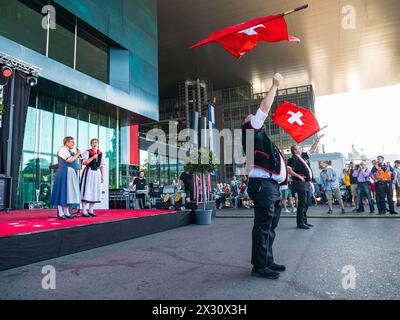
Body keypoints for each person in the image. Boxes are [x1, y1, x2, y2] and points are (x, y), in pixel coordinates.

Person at [242, 73, 287, 280]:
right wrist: (275, 85)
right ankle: (260, 266)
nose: (253, 115)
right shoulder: (251, 129)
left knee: (270, 225)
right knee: (263, 225)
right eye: (250, 116)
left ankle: (267, 260)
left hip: (270, 186)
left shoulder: (258, 137)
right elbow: (265, 107)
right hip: (264, 185)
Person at [287, 135, 323, 229]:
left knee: (306, 203)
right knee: (302, 203)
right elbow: (289, 170)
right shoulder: (292, 159)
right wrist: (299, 176)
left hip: (306, 183)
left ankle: (304, 221)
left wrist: (317, 140)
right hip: (300, 183)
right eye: (298, 147)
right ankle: (300, 223)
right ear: (295, 150)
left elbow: (312, 150)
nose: (300, 148)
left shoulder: (303, 156)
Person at [50, 136, 81, 220]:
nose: (73, 143)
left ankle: (66, 211)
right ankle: (60, 212)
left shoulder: (69, 150)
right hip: (64, 172)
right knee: (62, 191)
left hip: (70, 172)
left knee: (68, 193)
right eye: (71, 142)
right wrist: (77, 154)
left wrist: (77, 155)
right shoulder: (62, 149)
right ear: (66, 142)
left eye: (73, 142)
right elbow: (70, 160)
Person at [80, 138, 105, 217]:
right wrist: (93, 157)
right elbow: (84, 162)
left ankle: (91, 210)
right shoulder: (87, 152)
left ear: (98, 144)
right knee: (87, 190)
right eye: (93, 142)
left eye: (96, 142)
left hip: (96, 173)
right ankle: (84, 211)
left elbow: (101, 165)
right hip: (89, 172)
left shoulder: (100, 153)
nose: (95, 144)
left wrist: (102, 175)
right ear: (91, 144)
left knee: (95, 190)